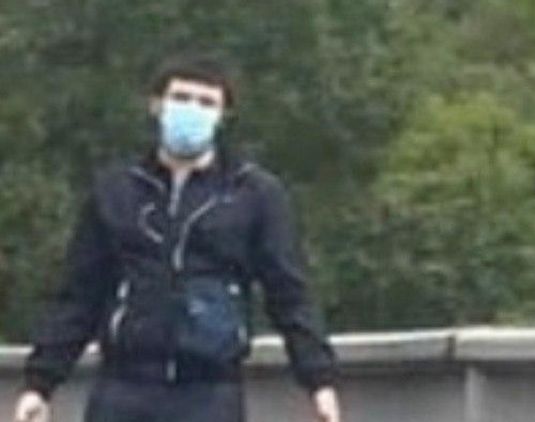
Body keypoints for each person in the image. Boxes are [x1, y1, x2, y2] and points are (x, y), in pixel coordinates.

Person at [13, 54, 341, 422]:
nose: (192, 110)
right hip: (123, 386)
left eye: (206, 102)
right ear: (156, 105)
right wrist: (40, 383)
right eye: (181, 98)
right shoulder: (116, 189)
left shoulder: (254, 193)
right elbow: (78, 294)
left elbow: (290, 293)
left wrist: (319, 382)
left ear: (223, 115)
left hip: (210, 390)